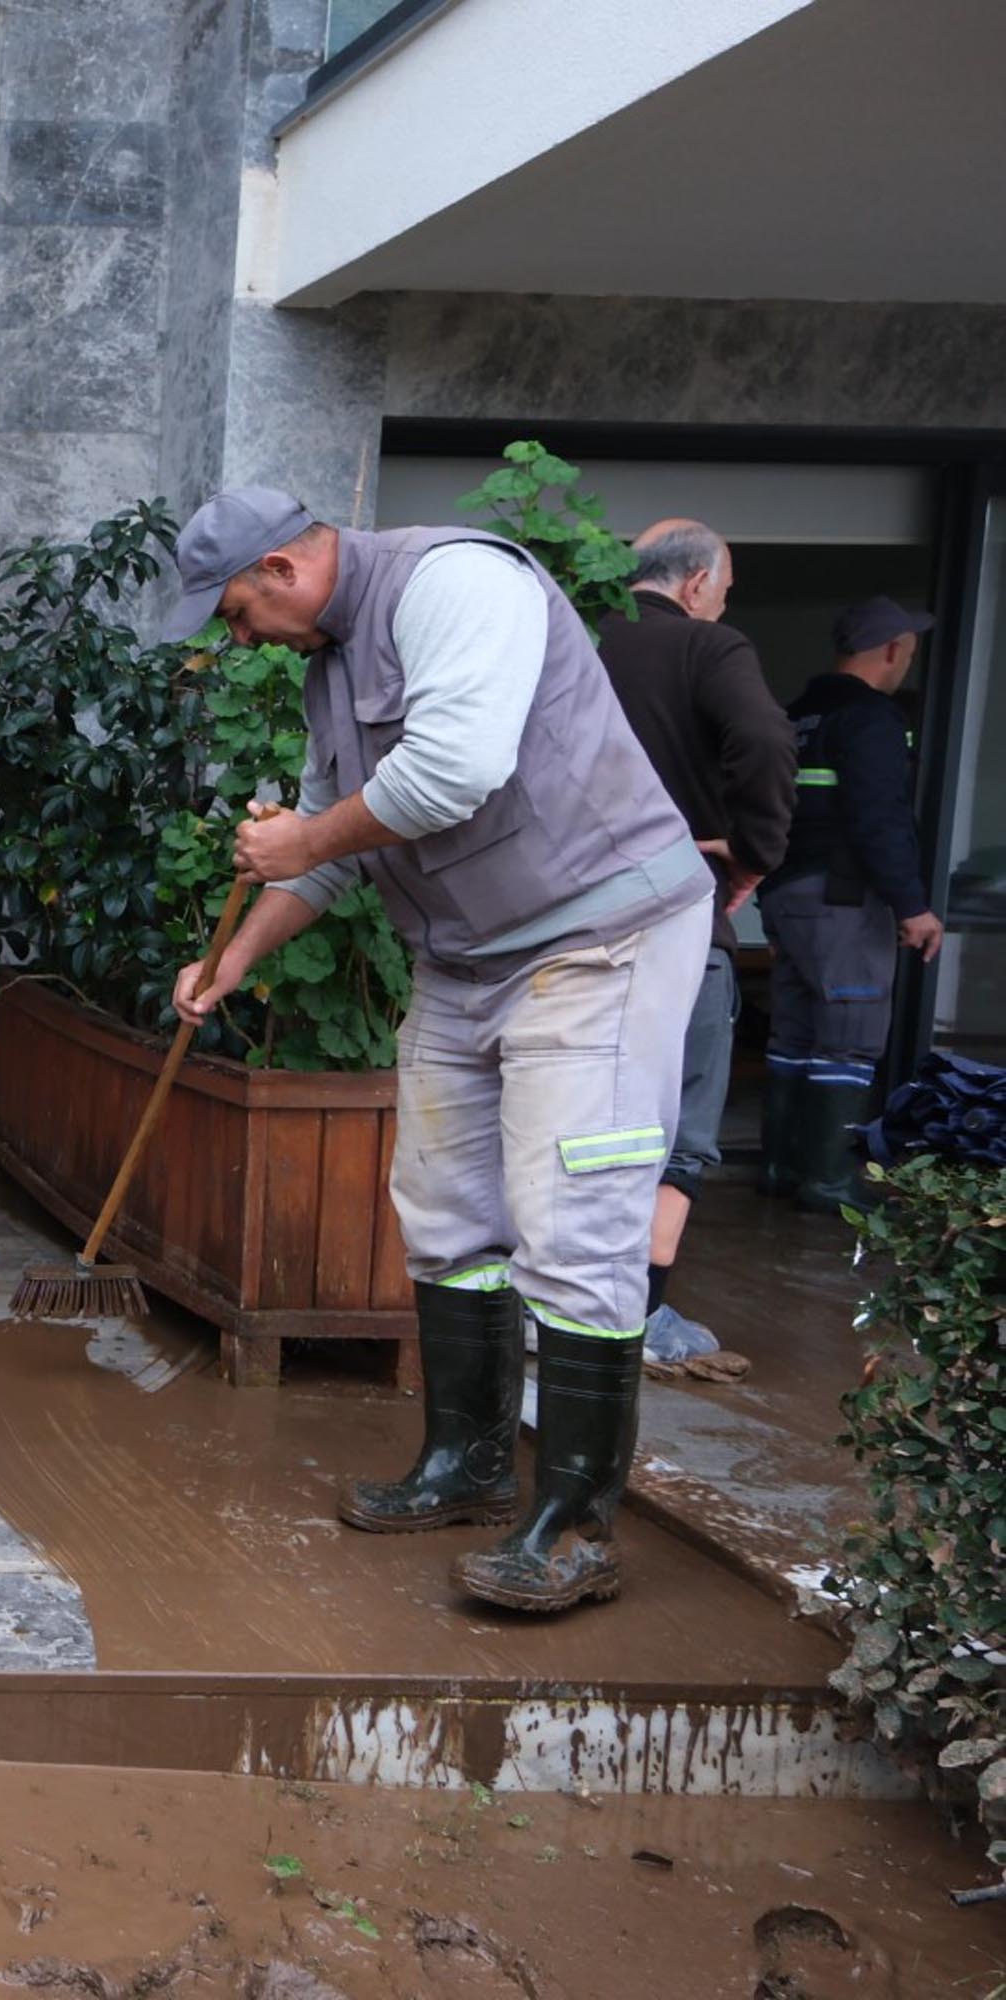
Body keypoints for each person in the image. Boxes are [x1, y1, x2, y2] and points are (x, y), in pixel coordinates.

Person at [162, 486, 711, 1617]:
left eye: (231, 612)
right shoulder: (330, 664)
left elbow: (453, 769)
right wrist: (236, 961)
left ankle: (574, 1522)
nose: (235, 637)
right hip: (466, 956)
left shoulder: (457, 583)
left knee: (575, 1220)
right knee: (445, 1207)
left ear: (281, 566)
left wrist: (304, 834)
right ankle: (465, 1464)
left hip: (598, 935)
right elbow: (322, 856)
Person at [592, 520, 794, 1356]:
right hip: (680, 923)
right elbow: (766, 740)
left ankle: (547, 1306)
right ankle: (636, 1317)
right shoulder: (708, 652)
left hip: (561, 927)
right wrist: (753, 852)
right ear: (699, 582)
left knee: (578, 1116)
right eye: (726, 588)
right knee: (680, 1127)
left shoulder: (579, 645)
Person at [757, 596, 946, 1212]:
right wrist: (912, 906)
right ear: (891, 650)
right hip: (842, 900)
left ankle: (782, 1168)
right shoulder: (871, 719)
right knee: (848, 1038)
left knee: (796, 1033)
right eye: (908, 655)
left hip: (789, 898)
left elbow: (766, 811)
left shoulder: (798, 714)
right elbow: (880, 819)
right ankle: (829, 1180)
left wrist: (766, 895)